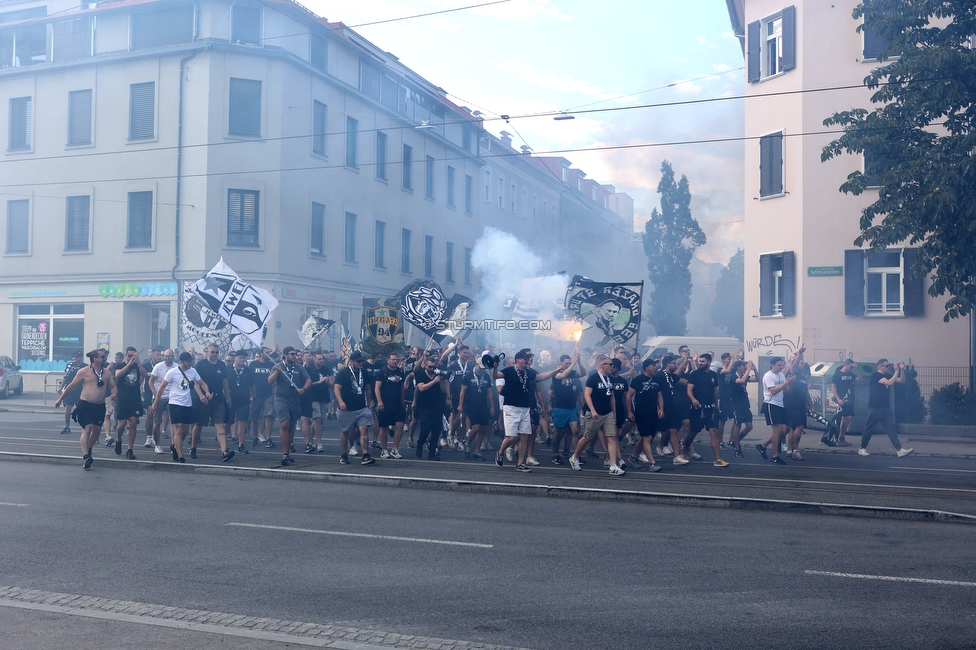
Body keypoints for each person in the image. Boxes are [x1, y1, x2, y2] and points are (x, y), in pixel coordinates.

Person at [55, 349, 117, 469]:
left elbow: (113, 386)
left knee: (97, 431)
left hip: (99, 405)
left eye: (105, 356)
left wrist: (114, 393)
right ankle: (85, 456)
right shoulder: (84, 371)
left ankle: (88, 450)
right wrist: (61, 399)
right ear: (95, 359)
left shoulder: (107, 372)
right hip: (86, 404)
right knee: (87, 429)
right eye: (102, 356)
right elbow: (71, 385)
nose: (104, 358)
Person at [149, 351, 210, 463]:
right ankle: (180, 455)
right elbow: (162, 388)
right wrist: (156, 402)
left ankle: (175, 445)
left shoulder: (193, 371)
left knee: (185, 430)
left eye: (191, 361)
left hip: (187, 403)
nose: (190, 363)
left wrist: (206, 392)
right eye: (188, 361)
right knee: (178, 428)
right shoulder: (172, 372)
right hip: (175, 403)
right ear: (182, 361)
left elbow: (201, 382)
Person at [570, 356, 625, 476]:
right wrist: (593, 410)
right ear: (602, 365)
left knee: (612, 437)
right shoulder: (593, 378)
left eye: (612, 364)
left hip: (607, 413)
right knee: (587, 438)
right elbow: (587, 395)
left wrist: (614, 413)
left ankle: (613, 465)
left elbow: (612, 397)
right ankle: (575, 457)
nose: (612, 366)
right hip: (595, 413)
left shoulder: (610, 379)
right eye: (610, 364)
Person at [859, 359, 914, 458]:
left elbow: (901, 380)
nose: (889, 367)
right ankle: (862, 448)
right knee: (869, 429)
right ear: (881, 367)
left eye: (889, 366)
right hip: (875, 407)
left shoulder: (888, 375)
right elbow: (889, 383)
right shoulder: (876, 375)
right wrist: (896, 371)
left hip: (885, 407)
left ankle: (899, 450)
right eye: (887, 366)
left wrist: (902, 370)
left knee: (891, 429)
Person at [494, 349, 537, 472]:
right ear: (518, 359)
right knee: (511, 437)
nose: (527, 360)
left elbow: (541, 377)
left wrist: (556, 370)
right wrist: (494, 367)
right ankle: (500, 451)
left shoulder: (529, 372)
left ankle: (520, 464)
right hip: (511, 407)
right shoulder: (509, 371)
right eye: (525, 358)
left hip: (525, 408)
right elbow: (495, 376)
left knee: (524, 436)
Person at [191, 344, 235, 462]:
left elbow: (224, 382)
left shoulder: (221, 365)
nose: (215, 354)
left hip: (218, 399)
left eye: (216, 352)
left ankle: (224, 451)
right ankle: (193, 448)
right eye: (212, 352)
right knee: (199, 424)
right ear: (207, 352)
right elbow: (196, 383)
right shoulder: (200, 365)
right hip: (204, 400)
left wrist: (228, 397)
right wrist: (201, 395)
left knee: (220, 424)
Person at [269, 346, 311, 466]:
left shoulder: (298, 367)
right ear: (285, 354)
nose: (294, 356)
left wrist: (304, 389)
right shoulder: (277, 366)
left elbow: (308, 380)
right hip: (281, 398)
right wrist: (277, 371)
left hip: (295, 399)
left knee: (292, 426)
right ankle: (284, 453)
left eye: (295, 354)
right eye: (292, 354)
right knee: (284, 423)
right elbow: (270, 381)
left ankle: (288, 450)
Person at [686, 353, 728, 467]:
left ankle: (718, 459)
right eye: (700, 361)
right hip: (697, 408)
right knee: (693, 432)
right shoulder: (695, 374)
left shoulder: (714, 375)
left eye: (703, 361)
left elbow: (715, 392)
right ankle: (684, 451)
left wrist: (716, 406)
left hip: (710, 408)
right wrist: (693, 399)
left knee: (714, 431)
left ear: (709, 362)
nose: (700, 363)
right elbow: (689, 389)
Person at [335, 351, 374, 465]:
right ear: (351, 362)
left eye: (362, 361)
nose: (361, 363)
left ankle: (365, 454)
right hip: (347, 408)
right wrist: (341, 402)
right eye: (359, 361)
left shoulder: (364, 372)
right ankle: (344, 454)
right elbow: (336, 388)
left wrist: (368, 403)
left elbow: (367, 388)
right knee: (345, 431)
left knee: (364, 430)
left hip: (361, 407)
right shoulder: (343, 373)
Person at [625, 358, 663, 472]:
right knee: (647, 437)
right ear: (647, 367)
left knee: (649, 436)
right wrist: (629, 411)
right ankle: (652, 463)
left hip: (653, 412)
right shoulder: (638, 380)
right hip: (641, 412)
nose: (655, 367)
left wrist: (661, 408)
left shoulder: (656, 380)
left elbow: (659, 395)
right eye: (653, 365)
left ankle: (633, 457)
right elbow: (629, 396)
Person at [549, 353, 585, 466]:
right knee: (558, 433)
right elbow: (563, 376)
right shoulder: (557, 373)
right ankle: (555, 454)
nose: (568, 365)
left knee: (575, 431)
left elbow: (583, 373)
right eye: (566, 363)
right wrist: (549, 405)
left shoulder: (573, 374)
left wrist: (579, 362)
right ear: (561, 363)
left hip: (571, 408)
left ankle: (576, 455)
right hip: (559, 407)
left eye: (569, 363)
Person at [757, 356, 794, 464]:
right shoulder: (768, 376)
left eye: (782, 365)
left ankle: (762, 446)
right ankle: (775, 456)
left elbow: (787, 391)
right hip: (771, 404)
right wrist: (786, 383)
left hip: (780, 404)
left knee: (786, 428)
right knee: (777, 431)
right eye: (779, 365)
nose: (781, 367)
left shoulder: (781, 375)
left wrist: (790, 382)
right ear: (772, 365)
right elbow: (773, 391)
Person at [113, 346, 147, 459]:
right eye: (130, 355)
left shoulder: (137, 366)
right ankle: (118, 439)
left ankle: (130, 449)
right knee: (121, 424)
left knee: (133, 422)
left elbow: (144, 374)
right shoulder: (120, 365)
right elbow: (117, 375)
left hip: (135, 398)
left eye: (134, 355)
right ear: (126, 355)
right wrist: (129, 364)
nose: (132, 357)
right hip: (123, 398)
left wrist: (138, 362)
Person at [413, 352, 449, 461]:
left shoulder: (437, 376)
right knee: (426, 428)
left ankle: (432, 453)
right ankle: (420, 444)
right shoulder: (421, 375)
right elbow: (421, 388)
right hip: (424, 406)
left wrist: (441, 380)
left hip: (437, 405)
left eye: (433, 367)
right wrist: (434, 381)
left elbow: (443, 390)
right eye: (429, 367)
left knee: (436, 430)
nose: (431, 369)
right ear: (425, 365)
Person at [459, 356, 495, 460]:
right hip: (471, 404)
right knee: (476, 427)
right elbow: (463, 391)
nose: (482, 370)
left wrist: (492, 406)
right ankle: (468, 443)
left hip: (483, 404)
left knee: (482, 428)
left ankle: (477, 450)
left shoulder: (486, 376)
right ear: (477, 364)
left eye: (484, 368)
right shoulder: (468, 375)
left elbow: (489, 392)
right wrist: (461, 404)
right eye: (481, 367)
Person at [374, 351, 406, 459]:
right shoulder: (382, 372)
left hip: (397, 404)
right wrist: (379, 401)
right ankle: (384, 449)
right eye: (392, 359)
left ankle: (395, 449)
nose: (394, 361)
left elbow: (402, 388)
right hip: (385, 403)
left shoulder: (401, 372)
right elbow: (377, 387)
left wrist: (402, 402)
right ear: (388, 360)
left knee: (400, 425)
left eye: (396, 359)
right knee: (384, 427)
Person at [784, 358, 813, 461]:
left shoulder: (803, 378)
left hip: (801, 406)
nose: (803, 364)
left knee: (793, 428)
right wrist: (799, 353)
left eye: (804, 363)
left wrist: (811, 405)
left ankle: (789, 450)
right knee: (800, 427)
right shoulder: (792, 374)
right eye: (801, 363)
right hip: (792, 405)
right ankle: (796, 451)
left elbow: (806, 393)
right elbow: (794, 366)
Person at [149, 349, 176, 454]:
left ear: (173, 356)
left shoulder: (176, 367)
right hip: (159, 397)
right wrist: (155, 393)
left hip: (172, 397)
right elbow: (151, 380)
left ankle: (174, 445)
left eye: (169, 356)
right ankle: (157, 445)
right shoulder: (158, 367)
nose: (167, 358)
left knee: (174, 422)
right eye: (165, 356)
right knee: (157, 421)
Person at [305, 352, 332, 453]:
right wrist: (319, 382)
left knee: (320, 421)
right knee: (317, 419)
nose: (321, 361)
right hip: (313, 397)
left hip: (324, 397)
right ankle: (319, 444)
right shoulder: (309, 369)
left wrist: (328, 381)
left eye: (322, 359)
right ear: (314, 360)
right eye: (319, 359)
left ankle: (310, 440)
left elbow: (332, 385)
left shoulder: (326, 369)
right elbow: (308, 384)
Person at [248, 348, 276, 447]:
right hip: (256, 395)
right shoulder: (253, 364)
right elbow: (249, 380)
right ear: (260, 354)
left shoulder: (272, 365)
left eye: (269, 352)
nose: (268, 354)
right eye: (266, 352)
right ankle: (255, 437)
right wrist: (251, 394)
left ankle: (268, 438)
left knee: (268, 416)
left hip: (268, 394)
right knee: (254, 417)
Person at [727, 360, 755, 457]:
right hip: (736, 404)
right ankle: (736, 448)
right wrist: (749, 369)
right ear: (738, 367)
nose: (745, 367)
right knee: (737, 425)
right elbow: (742, 380)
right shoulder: (733, 376)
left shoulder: (745, 376)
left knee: (749, 426)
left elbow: (757, 379)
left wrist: (754, 370)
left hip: (745, 404)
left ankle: (736, 440)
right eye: (743, 366)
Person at [228, 350, 253, 454]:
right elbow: (223, 383)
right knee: (227, 421)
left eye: (243, 358)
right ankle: (223, 444)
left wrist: (253, 395)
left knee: (242, 421)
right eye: (240, 358)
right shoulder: (228, 369)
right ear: (235, 358)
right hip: (230, 399)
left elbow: (252, 385)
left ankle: (241, 444)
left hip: (244, 400)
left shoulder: (248, 371)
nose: (242, 360)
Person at [831, 358, 857, 446]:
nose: (851, 369)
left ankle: (841, 437)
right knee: (839, 418)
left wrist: (857, 369)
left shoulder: (851, 374)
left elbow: (860, 379)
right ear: (846, 365)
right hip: (841, 399)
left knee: (848, 417)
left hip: (849, 400)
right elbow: (833, 387)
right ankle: (837, 437)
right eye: (850, 367)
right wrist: (838, 399)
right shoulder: (837, 374)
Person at [58, 351, 84, 435]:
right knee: (68, 407)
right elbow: (65, 377)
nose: (75, 358)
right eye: (74, 356)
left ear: (81, 357)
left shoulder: (84, 366)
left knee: (81, 409)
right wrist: (61, 387)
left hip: (80, 390)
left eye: (77, 356)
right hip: (69, 389)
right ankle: (67, 426)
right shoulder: (69, 365)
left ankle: (85, 427)